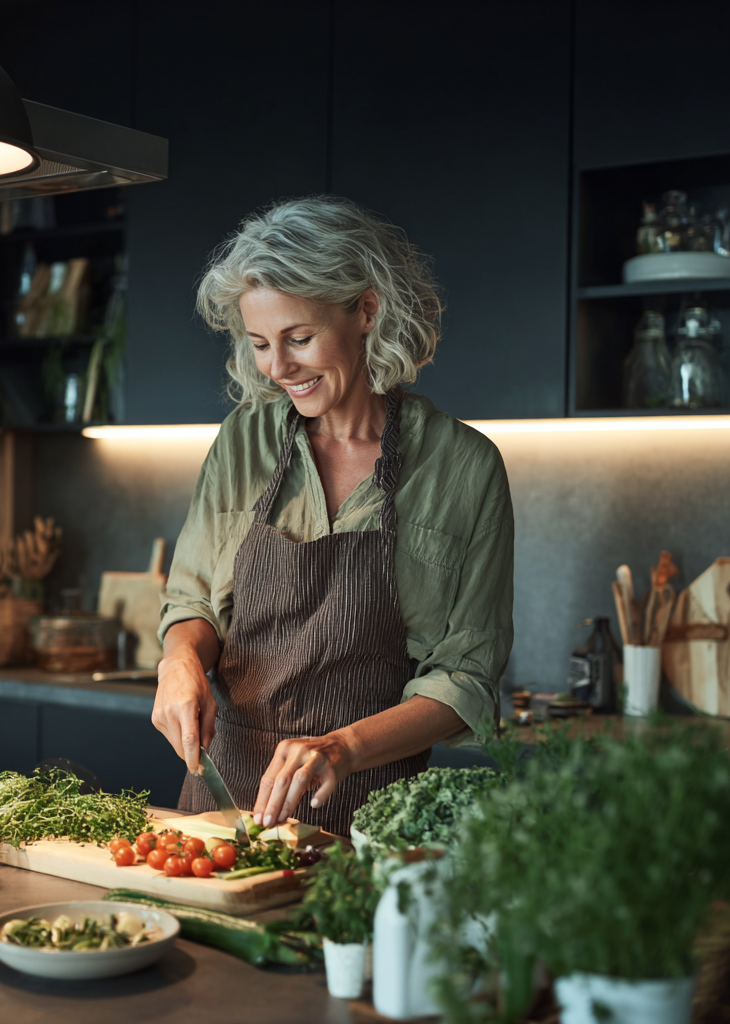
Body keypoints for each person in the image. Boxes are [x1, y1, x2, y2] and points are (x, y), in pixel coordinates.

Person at [151, 196, 513, 836]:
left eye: (299, 338)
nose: (277, 368)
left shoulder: (463, 467)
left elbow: (467, 679)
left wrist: (341, 747)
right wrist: (179, 659)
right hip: (219, 813)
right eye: (260, 343)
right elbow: (193, 600)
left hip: (372, 819)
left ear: (367, 310)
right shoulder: (244, 442)